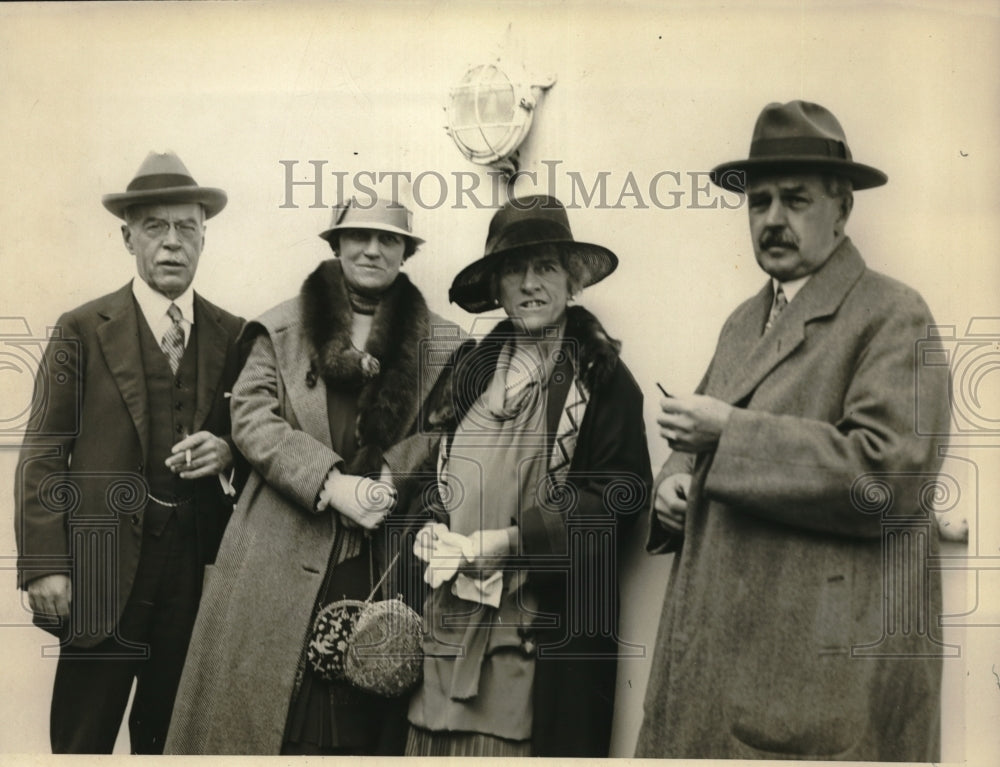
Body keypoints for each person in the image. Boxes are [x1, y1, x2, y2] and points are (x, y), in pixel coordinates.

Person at [635, 101, 951, 760]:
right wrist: (673, 484)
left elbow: (887, 477)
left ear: (841, 208)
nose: (772, 218)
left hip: (816, 695)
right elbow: (700, 447)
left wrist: (729, 435)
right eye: (759, 202)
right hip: (718, 680)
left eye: (795, 199)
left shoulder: (895, 315)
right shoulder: (742, 321)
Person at [164, 193, 465, 755]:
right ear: (336, 244)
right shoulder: (279, 327)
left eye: (388, 239)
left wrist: (381, 485)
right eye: (358, 236)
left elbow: (443, 432)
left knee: (367, 717)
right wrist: (330, 483)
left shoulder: (445, 344)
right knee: (269, 719)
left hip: (385, 553)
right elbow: (251, 418)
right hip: (278, 546)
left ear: (405, 252)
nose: (372, 249)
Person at [14, 151, 244, 753]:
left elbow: (254, 441)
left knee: (175, 744)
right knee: (81, 743)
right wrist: (45, 565)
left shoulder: (235, 334)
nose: (173, 243)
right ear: (127, 237)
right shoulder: (81, 328)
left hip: (194, 582)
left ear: (203, 238)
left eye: (187, 229)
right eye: (155, 228)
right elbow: (42, 454)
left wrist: (227, 452)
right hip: (101, 578)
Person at [405, 194, 652, 757]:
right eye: (514, 269)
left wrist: (514, 543)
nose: (530, 283)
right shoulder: (468, 371)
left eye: (546, 267)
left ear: (573, 282)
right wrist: (429, 525)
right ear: (496, 286)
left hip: (535, 643)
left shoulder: (603, 380)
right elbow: (430, 477)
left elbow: (619, 501)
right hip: (448, 628)